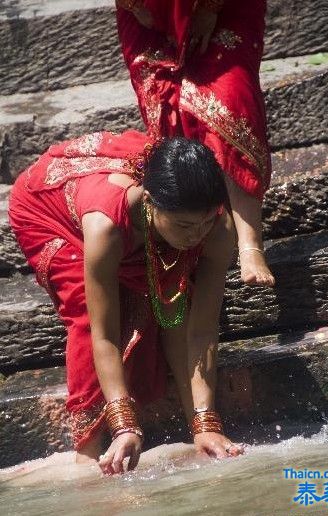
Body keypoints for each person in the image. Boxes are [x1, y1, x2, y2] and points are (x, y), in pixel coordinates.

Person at [8, 129, 244, 475]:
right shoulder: (106, 227)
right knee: (89, 313)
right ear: (149, 202)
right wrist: (125, 425)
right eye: (185, 226)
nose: (197, 236)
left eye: (206, 223)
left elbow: (202, 328)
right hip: (46, 210)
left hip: (126, 203)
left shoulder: (217, 227)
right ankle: (87, 454)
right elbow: (102, 335)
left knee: (173, 300)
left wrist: (206, 424)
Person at [116, 0, 275, 287]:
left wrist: (210, 8)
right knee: (166, 108)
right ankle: (198, 238)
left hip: (226, 8)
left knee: (230, 99)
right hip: (147, 13)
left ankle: (249, 242)